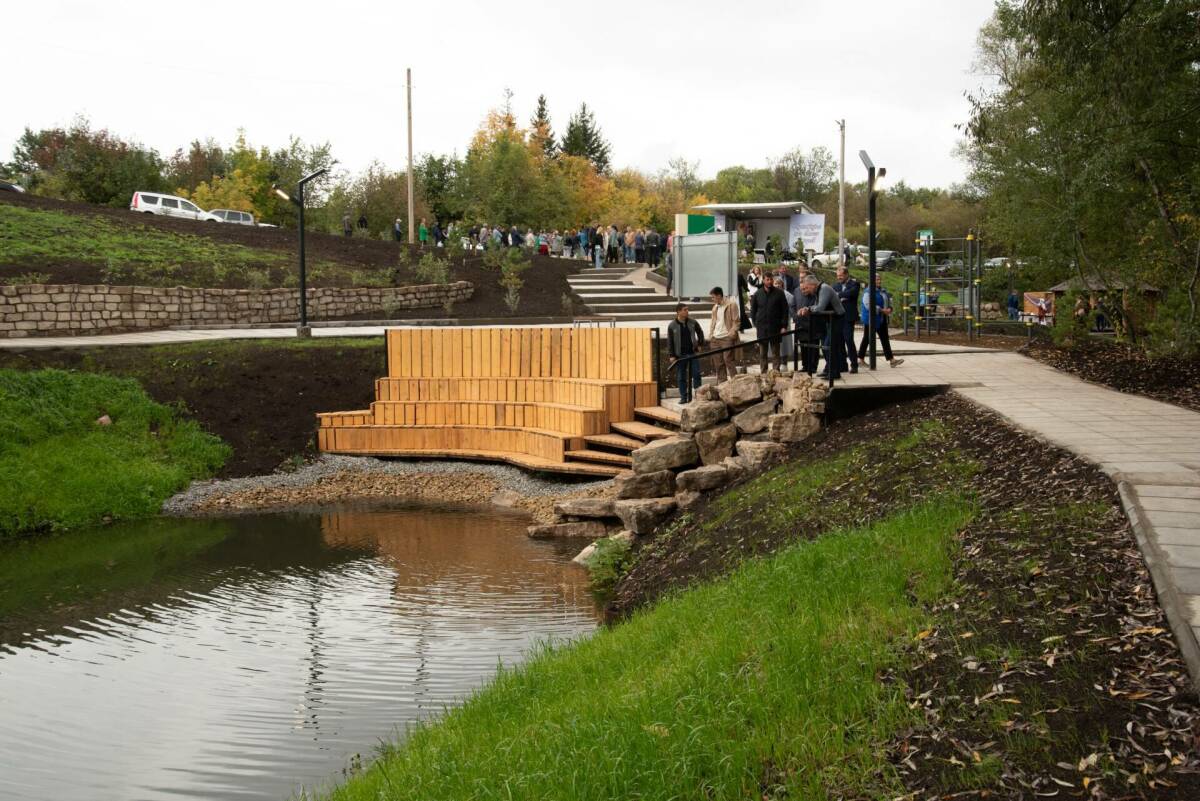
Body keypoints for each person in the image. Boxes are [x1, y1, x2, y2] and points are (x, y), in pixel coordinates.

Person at [798, 274, 845, 380]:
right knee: (826, 345)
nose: (807, 290)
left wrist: (808, 310)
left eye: (807, 287)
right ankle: (829, 369)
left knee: (829, 345)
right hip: (830, 319)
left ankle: (834, 372)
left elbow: (820, 307)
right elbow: (816, 305)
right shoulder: (819, 290)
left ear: (812, 284)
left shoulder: (824, 289)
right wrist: (807, 308)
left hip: (837, 319)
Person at [858, 274, 904, 367]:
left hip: (881, 319)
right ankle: (860, 360)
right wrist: (882, 310)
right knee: (867, 339)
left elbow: (888, 301)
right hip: (871, 320)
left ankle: (892, 360)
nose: (879, 281)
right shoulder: (867, 292)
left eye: (879, 279)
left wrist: (890, 309)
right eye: (876, 280)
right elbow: (868, 305)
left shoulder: (882, 291)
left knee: (885, 339)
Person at [750, 274, 789, 373]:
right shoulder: (757, 294)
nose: (770, 281)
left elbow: (785, 310)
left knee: (775, 351)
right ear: (763, 280)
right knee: (763, 352)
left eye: (771, 279)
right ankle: (763, 372)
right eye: (767, 279)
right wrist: (755, 322)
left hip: (775, 327)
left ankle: (776, 372)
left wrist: (784, 325)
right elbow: (753, 310)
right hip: (762, 328)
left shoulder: (779, 293)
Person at [667, 303, 705, 404]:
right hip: (680, 356)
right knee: (681, 377)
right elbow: (670, 341)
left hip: (692, 353)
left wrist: (700, 344)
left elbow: (700, 332)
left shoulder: (693, 322)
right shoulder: (672, 325)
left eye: (687, 309)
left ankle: (698, 396)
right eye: (685, 310)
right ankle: (684, 397)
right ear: (678, 312)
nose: (687, 311)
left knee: (696, 374)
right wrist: (672, 355)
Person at [707, 286, 741, 382]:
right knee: (718, 363)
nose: (712, 299)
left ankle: (735, 382)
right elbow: (713, 322)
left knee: (728, 360)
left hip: (727, 337)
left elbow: (736, 321)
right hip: (715, 338)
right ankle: (722, 385)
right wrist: (711, 334)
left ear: (719, 296)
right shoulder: (715, 307)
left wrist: (732, 332)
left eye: (713, 297)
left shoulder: (731, 305)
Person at [832, 266, 861, 374]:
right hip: (838, 317)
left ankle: (854, 364)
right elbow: (832, 296)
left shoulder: (854, 284)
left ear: (846, 274)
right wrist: (842, 296)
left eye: (841, 276)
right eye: (837, 276)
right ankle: (843, 365)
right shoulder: (835, 285)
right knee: (840, 341)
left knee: (848, 339)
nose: (839, 278)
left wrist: (839, 295)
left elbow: (851, 293)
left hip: (849, 317)